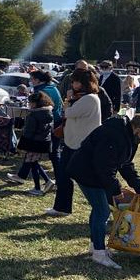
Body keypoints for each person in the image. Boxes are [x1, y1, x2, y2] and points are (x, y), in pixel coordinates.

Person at [68, 112, 140, 269]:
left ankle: (95, 246)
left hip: (96, 174)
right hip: (86, 173)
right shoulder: (113, 134)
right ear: (137, 129)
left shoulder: (130, 137)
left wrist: (138, 185)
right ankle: (99, 253)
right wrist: (115, 189)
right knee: (102, 211)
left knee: (99, 209)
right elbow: (104, 166)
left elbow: (125, 163)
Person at [44, 68, 102, 217]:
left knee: (86, 179)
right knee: (63, 176)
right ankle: (62, 207)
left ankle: (104, 208)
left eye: (75, 81)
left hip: (81, 146)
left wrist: (68, 100)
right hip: (73, 143)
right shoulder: (84, 98)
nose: (73, 84)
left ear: (82, 83)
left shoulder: (89, 99)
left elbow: (68, 113)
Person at [14, 91, 54, 195]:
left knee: (33, 164)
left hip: (33, 143)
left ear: (35, 103)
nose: (29, 104)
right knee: (33, 162)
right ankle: (46, 182)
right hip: (43, 142)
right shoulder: (48, 113)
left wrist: (21, 145)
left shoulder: (33, 115)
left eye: (30, 102)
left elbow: (28, 132)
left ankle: (39, 187)